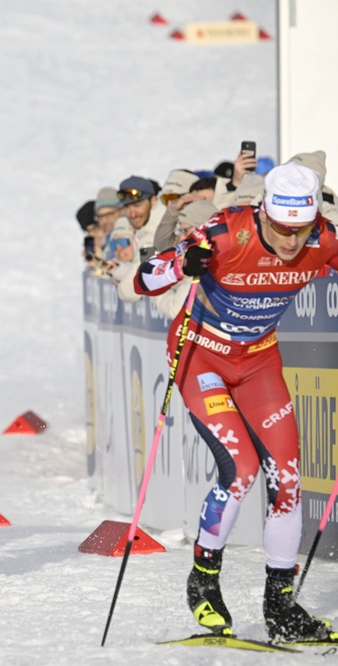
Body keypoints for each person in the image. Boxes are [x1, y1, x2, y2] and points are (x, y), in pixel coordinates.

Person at [133, 162, 338, 642]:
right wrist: (182, 265)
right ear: (264, 214)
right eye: (283, 230)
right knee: (242, 470)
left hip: (259, 361)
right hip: (201, 355)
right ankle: (203, 580)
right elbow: (145, 279)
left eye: (300, 231)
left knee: (288, 476)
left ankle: (281, 607)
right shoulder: (226, 232)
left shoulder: (323, 238)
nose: (292, 242)